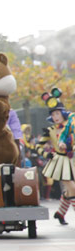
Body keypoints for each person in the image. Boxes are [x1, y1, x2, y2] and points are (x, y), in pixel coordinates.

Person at [37, 90, 74, 225]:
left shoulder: (71, 126)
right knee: (72, 188)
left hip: (72, 159)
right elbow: (38, 146)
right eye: (53, 114)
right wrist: (47, 154)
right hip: (60, 161)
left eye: (57, 113)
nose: (55, 116)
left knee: (69, 189)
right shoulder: (50, 130)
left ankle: (60, 213)